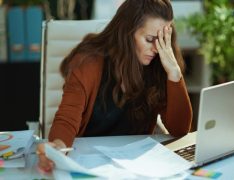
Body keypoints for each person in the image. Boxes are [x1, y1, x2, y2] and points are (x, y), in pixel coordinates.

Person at [37, 0, 193, 172]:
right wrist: (57, 148)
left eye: (163, 39)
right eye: (150, 39)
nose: (157, 48)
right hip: (90, 163)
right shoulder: (88, 63)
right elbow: (67, 119)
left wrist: (174, 74)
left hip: (137, 165)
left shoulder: (158, 64)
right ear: (127, 32)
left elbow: (180, 129)